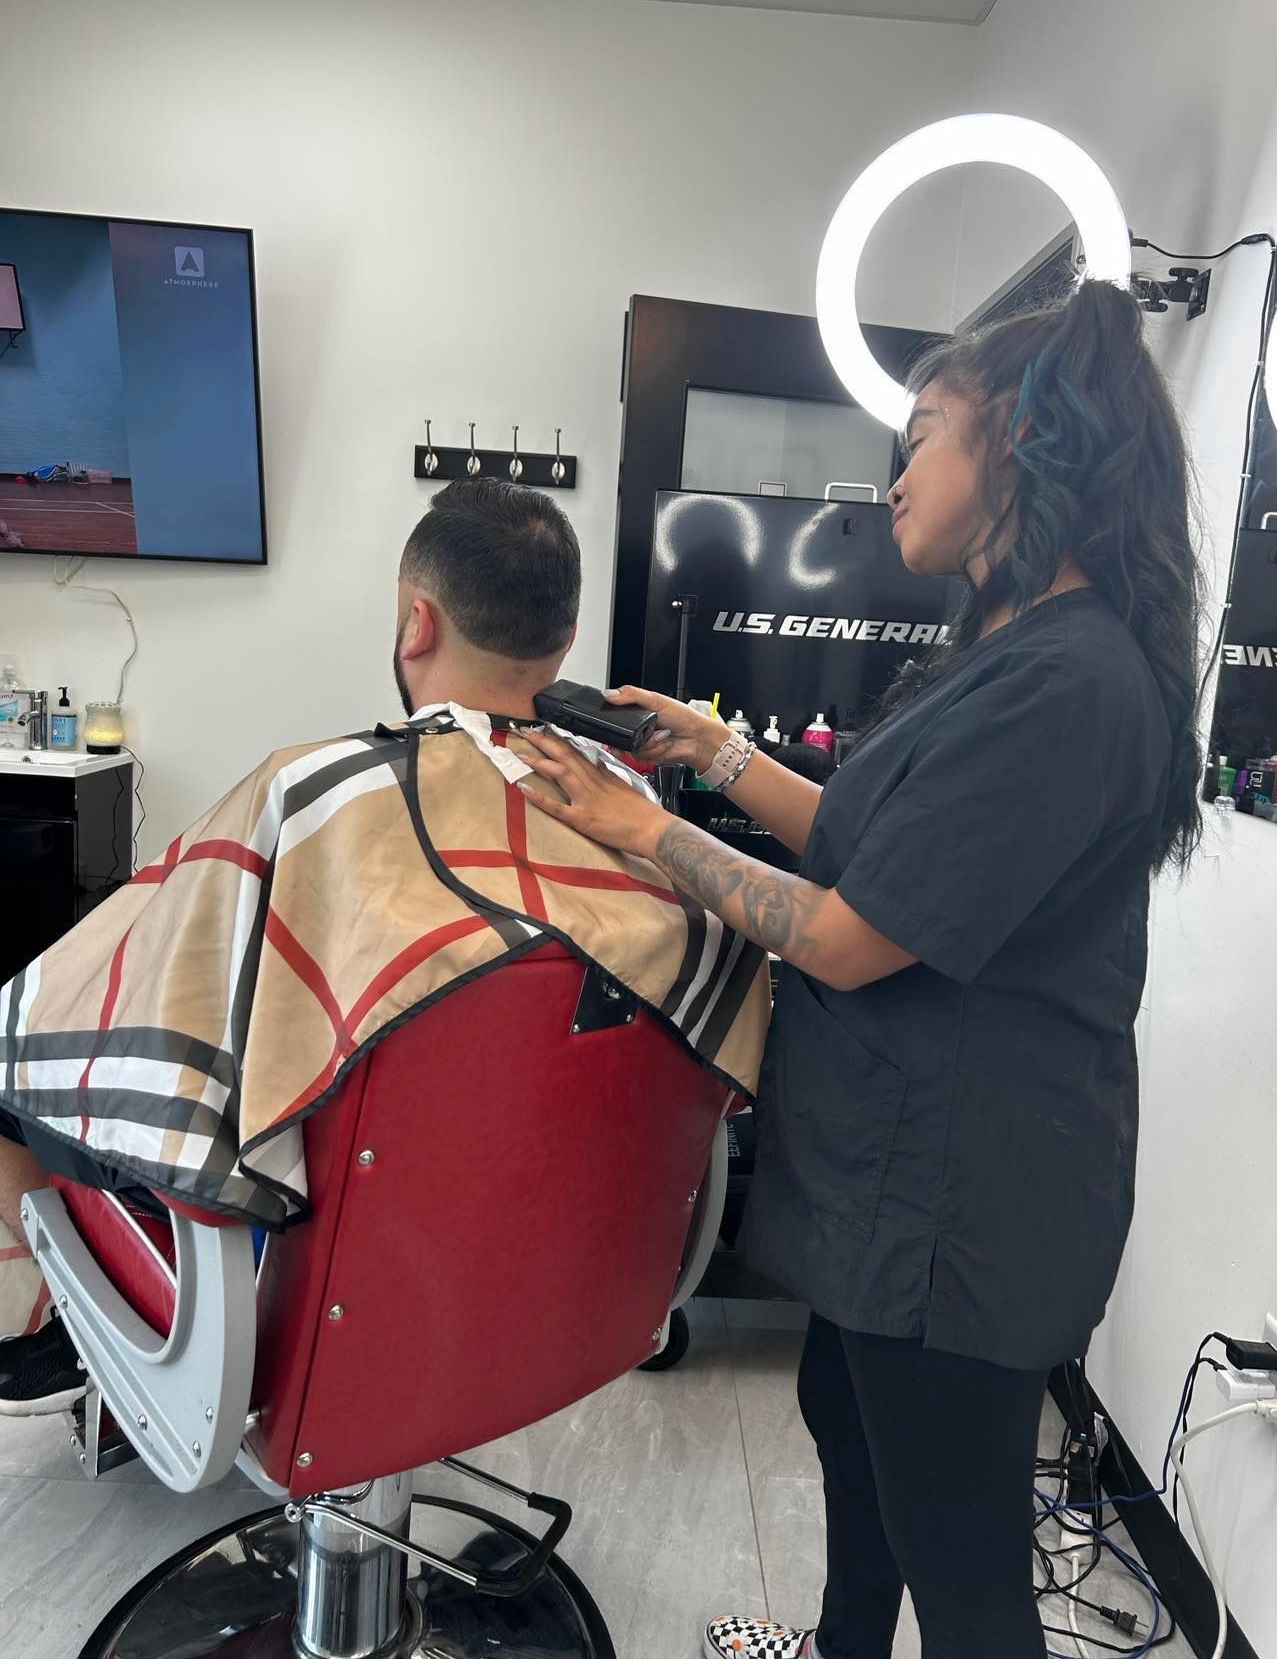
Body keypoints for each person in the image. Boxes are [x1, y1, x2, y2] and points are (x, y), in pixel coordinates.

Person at [513, 280, 1203, 1659]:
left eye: (927, 434)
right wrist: (708, 755)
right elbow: (864, 843)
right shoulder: (996, 654)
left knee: (966, 1586)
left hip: (961, 1211)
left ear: (1023, 451)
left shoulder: (1073, 685)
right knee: (851, 1443)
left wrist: (644, 834)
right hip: (888, 1182)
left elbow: (843, 930)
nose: (895, 478)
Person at [0, 475, 769, 1416]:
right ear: (564, 639)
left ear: (417, 623)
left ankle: (89, 1338)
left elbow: (113, 995)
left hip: (338, 1305)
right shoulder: (643, 818)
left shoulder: (314, 796)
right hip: (555, 1283)